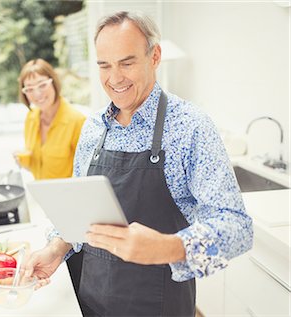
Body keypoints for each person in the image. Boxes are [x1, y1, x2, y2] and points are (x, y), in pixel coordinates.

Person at [24, 11, 253, 317]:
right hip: (91, 302)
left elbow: (238, 228)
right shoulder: (93, 128)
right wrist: (56, 249)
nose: (114, 78)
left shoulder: (190, 126)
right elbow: (79, 218)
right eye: (104, 66)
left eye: (127, 63)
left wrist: (168, 247)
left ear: (154, 56)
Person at [14, 58, 86, 180]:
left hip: (67, 195)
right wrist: (22, 161)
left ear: (54, 82)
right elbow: (37, 164)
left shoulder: (77, 121)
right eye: (29, 89)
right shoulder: (31, 118)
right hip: (39, 194)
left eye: (42, 85)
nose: (37, 94)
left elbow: (85, 172)